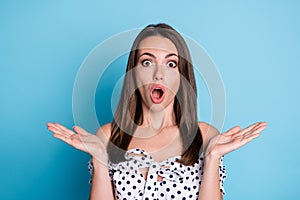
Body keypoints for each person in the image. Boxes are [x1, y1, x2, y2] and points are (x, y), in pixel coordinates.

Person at [47, 23, 267, 200]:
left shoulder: (205, 136)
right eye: (147, 62)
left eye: (171, 64)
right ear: (133, 74)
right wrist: (99, 160)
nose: (159, 74)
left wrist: (212, 157)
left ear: (183, 77)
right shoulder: (107, 136)